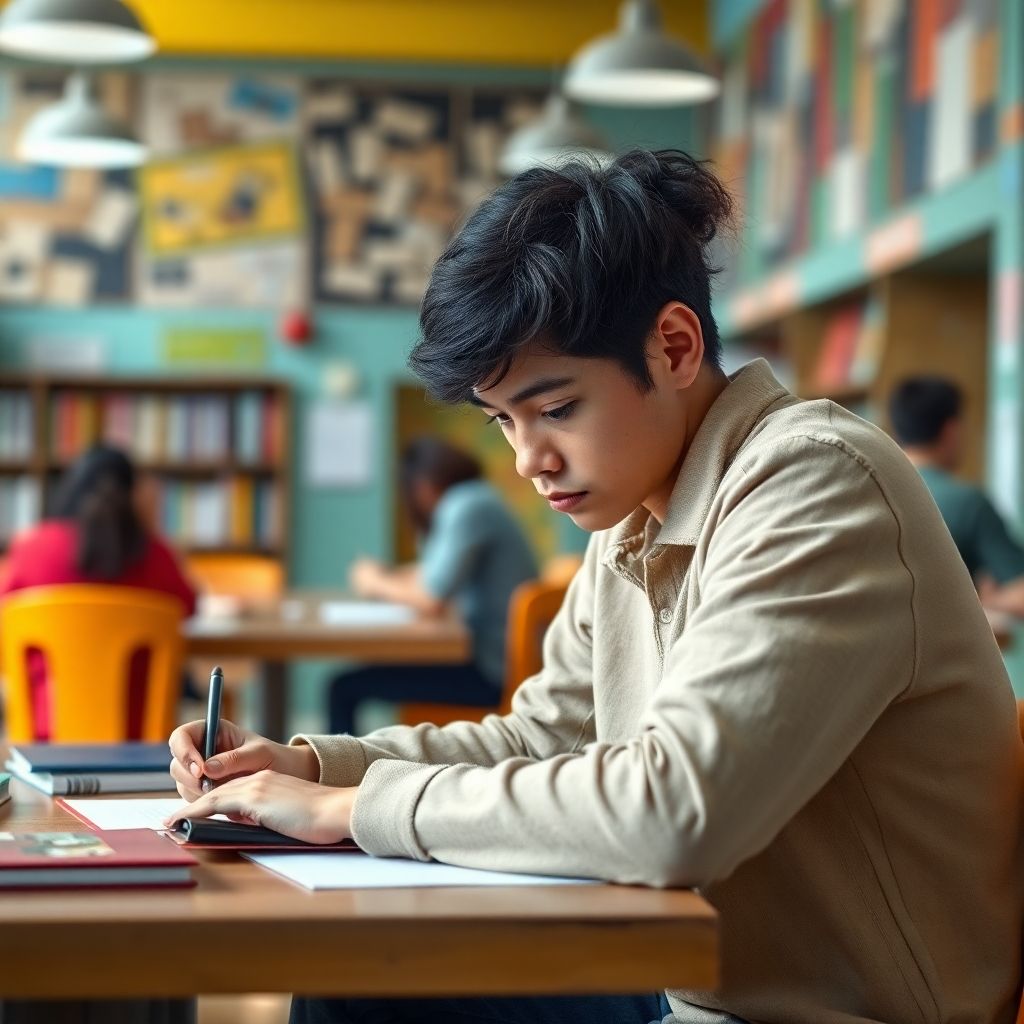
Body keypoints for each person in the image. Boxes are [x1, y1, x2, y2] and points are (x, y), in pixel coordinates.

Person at [167, 151, 1023, 1024]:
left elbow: (672, 813)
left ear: (676, 346)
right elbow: (545, 739)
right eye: (504, 421)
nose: (527, 461)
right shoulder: (629, 519)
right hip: (691, 977)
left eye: (557, 409)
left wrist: (357, 806)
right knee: (359, 985)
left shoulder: (815, 481)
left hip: (834, 1012)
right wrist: (311, 765)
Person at [327, 436, 538, 734]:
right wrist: (389, 576)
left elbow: (431, 596)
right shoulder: (479, 498)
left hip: (492, 672)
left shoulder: (466, 505)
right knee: (356, 678)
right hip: (494, 660)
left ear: (423, 485)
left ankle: (330, 777)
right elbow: (432, 574)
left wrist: (375, 582)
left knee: (342, 687)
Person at [1, 444, 197, 739]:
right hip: (141, 735)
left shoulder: (30, 548)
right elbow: (190, 607)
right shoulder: (156, 554)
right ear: (134, 494)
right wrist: (150, 525)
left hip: (44, 735)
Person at [889, 375, 1024, 616]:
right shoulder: (968, 503)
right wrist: (988, 602)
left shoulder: (874, 490)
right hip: (944, 650)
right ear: (951, 430)